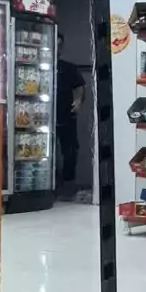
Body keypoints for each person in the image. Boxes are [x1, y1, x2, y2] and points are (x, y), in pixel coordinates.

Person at [56, 31, 85, 193]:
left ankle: (68, 184)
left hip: (66, 116)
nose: (57, 49)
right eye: (55, 45)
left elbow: (79, 87)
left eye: (60, 46)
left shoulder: (69, 68)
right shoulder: (36, 65)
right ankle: (49, 185)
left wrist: (78, 101)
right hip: (42, 118)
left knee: (70, 152)